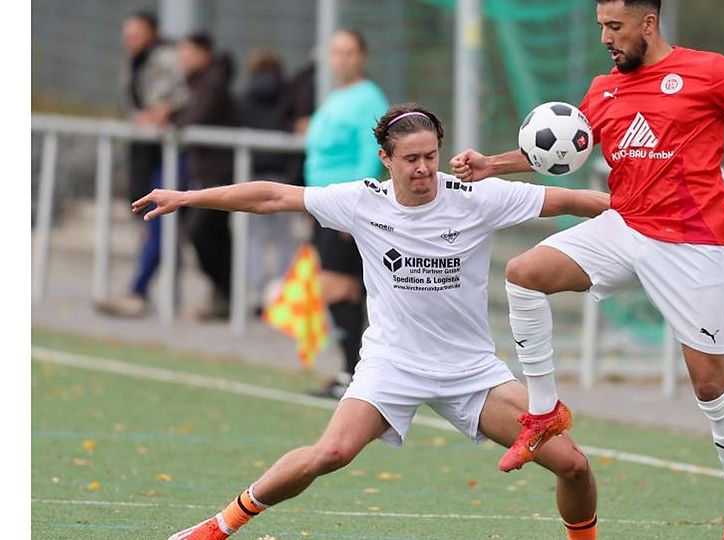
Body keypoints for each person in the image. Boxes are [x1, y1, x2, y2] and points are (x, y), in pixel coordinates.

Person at [449, 1, 724, 538]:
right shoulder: (602, 90)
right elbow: (562, 146)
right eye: (600, 28)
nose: (605, 39)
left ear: (648, 23)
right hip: (626, 227)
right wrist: (492, 165)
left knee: (710, 386)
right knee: (524, 272)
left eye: (614, 28)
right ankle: (543, 412)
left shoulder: (709, 72)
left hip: (693, 244)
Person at [135, 104, 608, 540]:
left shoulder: (478, 198)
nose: (423, 168)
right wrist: (188, 196)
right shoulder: (362, 201)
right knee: (330, 454)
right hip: (393, 364)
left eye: (430, 156)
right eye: (410, 159)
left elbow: (572, 201)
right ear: (385, 158)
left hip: (471, 371)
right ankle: (219, 526)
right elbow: (272, 197)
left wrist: (642, 212)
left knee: (573, 466)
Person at [302, 30, 389, 398]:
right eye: (336, 52)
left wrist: (355, 209)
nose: (342, 59)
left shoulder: (369, 98)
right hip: (322, 204)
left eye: (349, 52)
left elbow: (369, 155)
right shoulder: (336, 96)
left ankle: (355, 374)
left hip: (344, 207)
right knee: (340, 287)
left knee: (341, 286)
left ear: (362, 56)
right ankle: (352, 371)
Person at [95, 10, 187, 317]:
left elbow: (176, 100)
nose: (129, 38)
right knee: (151, 221)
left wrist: (162, 113)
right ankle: (146, 290)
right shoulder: (131, 60)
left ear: (151, 32)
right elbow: (131, 105)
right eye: (127, 32)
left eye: (136, 32)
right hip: (145, 151)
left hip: (171, 153)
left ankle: (138, 290)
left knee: (160, 220)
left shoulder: (167, 58)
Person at [172, 32, 239, 320]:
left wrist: (171, 118)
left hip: (218, 174)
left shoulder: (213, 82)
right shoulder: (200, 81)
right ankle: (223, 295)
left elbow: (195, 117)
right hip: (207, 172)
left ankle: (226, 294)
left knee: (202, 233)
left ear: (204, 53)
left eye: (188, 52)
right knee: (212, 235)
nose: (182, 58)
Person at [236, 50, 298, 313]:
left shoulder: (244, 96)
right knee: (284, 239)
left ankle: (257, 293)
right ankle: (281, 292)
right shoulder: (289, 95)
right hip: (283, 175)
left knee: (254, 238)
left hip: (253, 173)